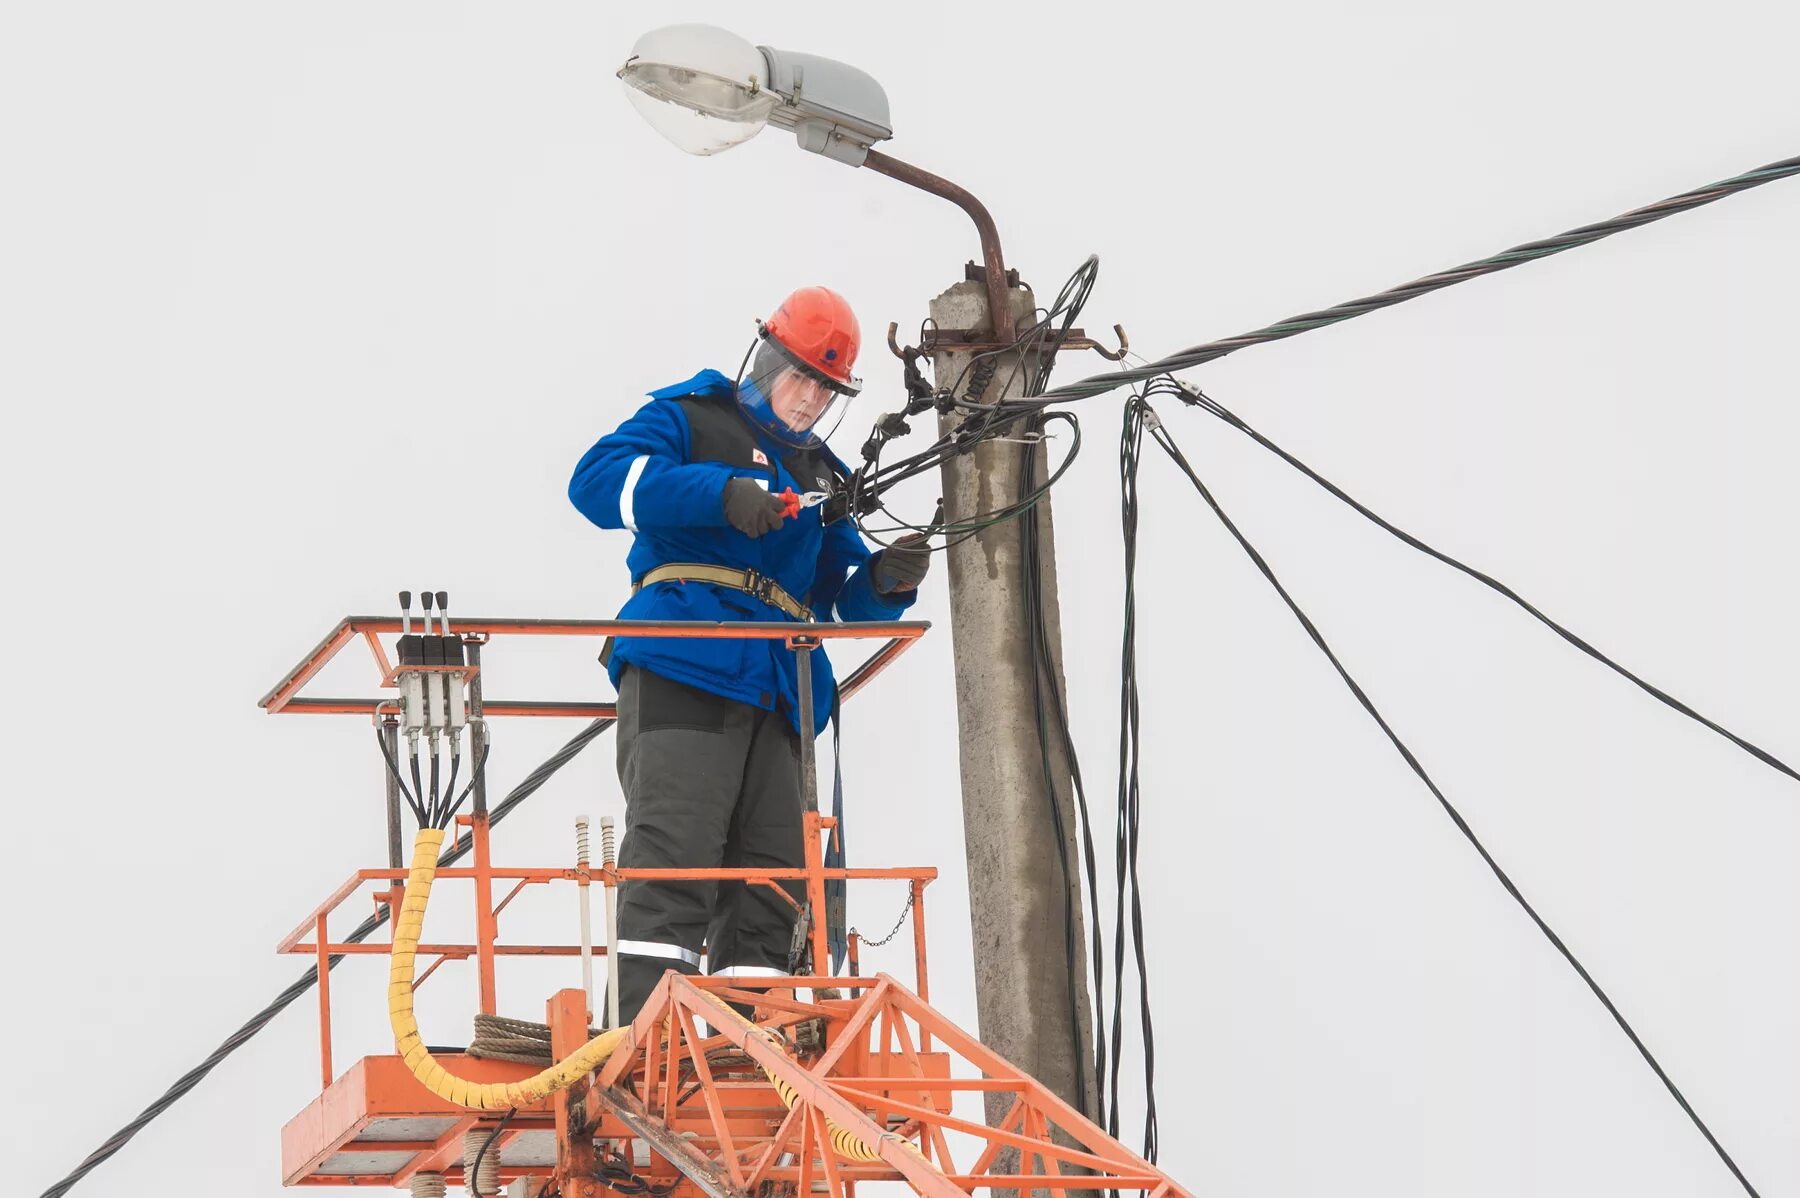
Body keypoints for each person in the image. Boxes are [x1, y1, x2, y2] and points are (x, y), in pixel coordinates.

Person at [568, 286, 929, 1024]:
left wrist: (886, 583)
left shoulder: (821, 477)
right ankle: (647, 1040)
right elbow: (597, 483)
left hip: (781, 683)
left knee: (773, 881)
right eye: (798, 377)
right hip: (686, 658)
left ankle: (746, 1042)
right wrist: (721, 492)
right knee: (676, 858)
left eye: (824, 391)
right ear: (764, 360)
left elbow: (841, 598)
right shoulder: (690, 419)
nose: (806, 401)